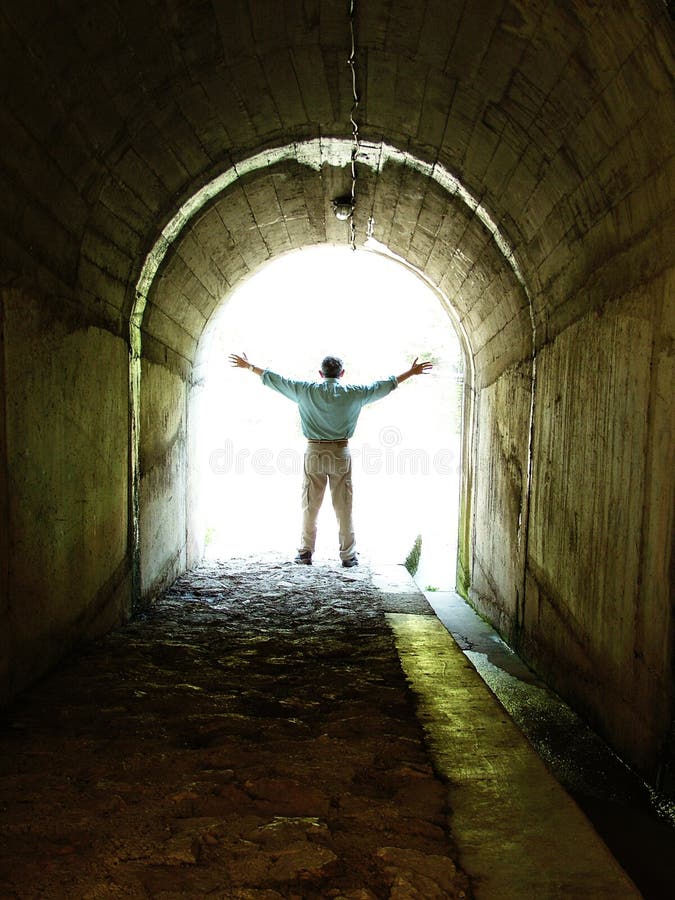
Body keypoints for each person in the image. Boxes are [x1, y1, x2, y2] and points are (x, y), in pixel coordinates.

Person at [229, 352, 433, 567]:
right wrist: (411, 372)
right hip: (340, 452)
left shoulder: (305, 390)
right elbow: (383, 386)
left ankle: (305, 552)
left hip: (314, 452)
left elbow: (276, 380)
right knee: (344, 506)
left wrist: (249, 366)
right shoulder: (354, 393)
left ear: (320, 373)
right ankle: (348, 555)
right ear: (342, 373)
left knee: (310, 504)